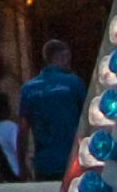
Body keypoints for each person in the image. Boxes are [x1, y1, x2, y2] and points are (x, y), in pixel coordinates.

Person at [14, 38, 86, 182]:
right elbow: (87, 121)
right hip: (71, 161)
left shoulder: (28, 89)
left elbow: (23, 130)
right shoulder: (73, 83)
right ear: (62, 56)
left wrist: (22, 166)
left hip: (43, 164)